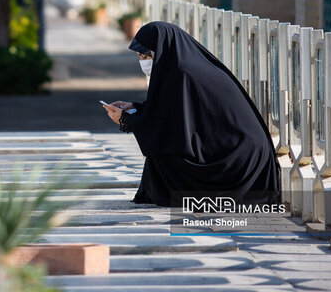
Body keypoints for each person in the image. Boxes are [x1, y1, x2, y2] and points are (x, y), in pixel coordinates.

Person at [102, 21, 281, 207]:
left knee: (162, 150)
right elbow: (169, 112)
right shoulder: (181, 65)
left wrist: (126, 118)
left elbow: (167, 124)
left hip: (239, 159)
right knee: (162, 145)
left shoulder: (183, 72)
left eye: (145, 55)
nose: (143, 62)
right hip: (237, 149)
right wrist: (133, 107)